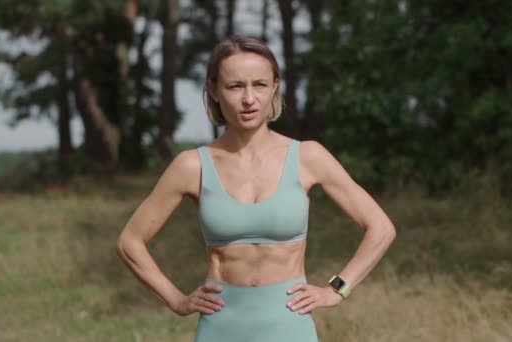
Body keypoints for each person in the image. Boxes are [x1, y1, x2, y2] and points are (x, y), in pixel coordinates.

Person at [117, 36, 396, 342]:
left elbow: (381, 228)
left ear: (275, 86)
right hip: (220, 327)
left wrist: (337, 289)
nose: (249, 98)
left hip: (289, 325)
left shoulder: (308, 157)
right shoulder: (191, 166)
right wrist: (177, 300)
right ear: (213, 90)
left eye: (260, 85)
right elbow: (130, 242)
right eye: (235, 86)